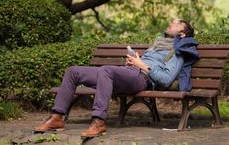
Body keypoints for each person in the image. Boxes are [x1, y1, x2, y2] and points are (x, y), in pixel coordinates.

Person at [33, 19, 199, 137]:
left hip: (142, 79)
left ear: (182, 34)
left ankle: (99, 122)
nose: (171, 23)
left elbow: (166, 79)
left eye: (176, 24)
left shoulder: (178, 52)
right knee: (73, 71)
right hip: (128, 73)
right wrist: (135, 60)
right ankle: (57, 118)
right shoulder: (157, 46)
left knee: (106, 71)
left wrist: (140, 65)